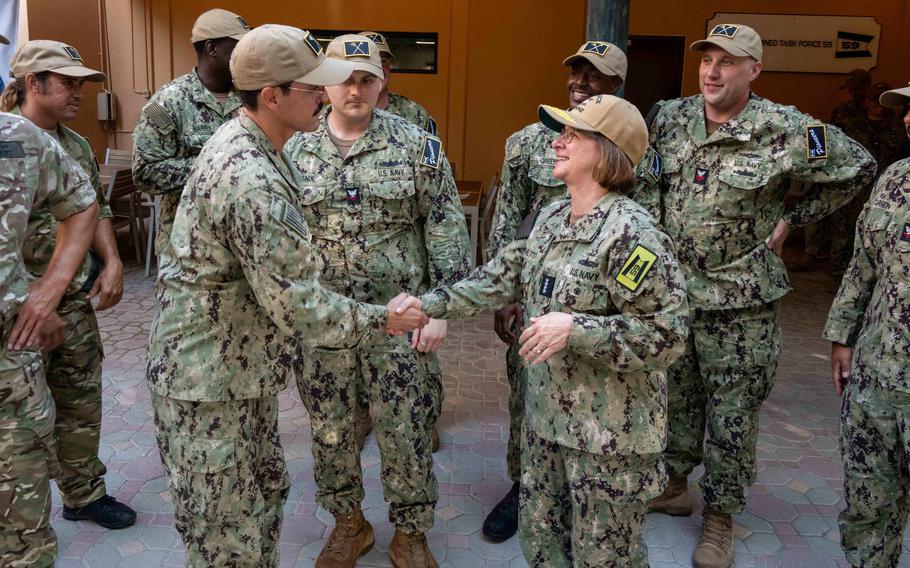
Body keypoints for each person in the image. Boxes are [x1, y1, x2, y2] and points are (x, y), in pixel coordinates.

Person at [146, 25, 428, 567]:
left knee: (258, 508)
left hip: (234, 374)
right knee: (230, 539)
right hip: (209, 387)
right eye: (311, 87)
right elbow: (299, 306)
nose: (325, 94)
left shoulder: (261, 148)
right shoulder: (250, 176)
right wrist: (387, 321)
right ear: (271, 96)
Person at [398, 95, 688, 567]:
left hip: (607, 442)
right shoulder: (552, 219)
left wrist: (577, 328)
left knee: (605, 559)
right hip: (547, 428)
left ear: (608, 149)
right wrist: (427, 304)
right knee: (543, 549)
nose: (558, 142)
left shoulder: (632, 233)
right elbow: (498, 277)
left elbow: (666, 335)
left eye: (573, 134)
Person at [634, 24, 876, 568]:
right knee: (675, 396)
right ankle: (673, 486)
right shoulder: (668, 117)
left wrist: (793, 218)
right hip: (677, 295)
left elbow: (856, 166)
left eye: (727, 62)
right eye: (707, 59)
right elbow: (649, 188)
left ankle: (720, 516)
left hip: (741, 302)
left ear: (754, 70)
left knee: (733, 415)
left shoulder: (784, 127)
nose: (712, 71)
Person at [285, 35, 470, 568]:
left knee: (407, 431)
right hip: (325, 328)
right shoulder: (294, 150)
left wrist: (440, 308)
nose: (355, 88)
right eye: (344, 77)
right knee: (332, 430)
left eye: (367, 78)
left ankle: (411, 533)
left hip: (400, 323)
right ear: (324, 83)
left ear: (382, 80)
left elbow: (446, 231)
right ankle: (350, 523)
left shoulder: (418, 146)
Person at [481, 38, 627, 542]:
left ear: (615, 86)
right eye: (576, 72)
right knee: (527, 393)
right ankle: (525, 486)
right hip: (536, 296)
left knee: (595, 398)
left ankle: (587, 490)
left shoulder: (624, 148)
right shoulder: (529, 142)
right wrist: (506, 296)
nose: (580, 82)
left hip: (598, 304)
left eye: (594, 75)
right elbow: (506, 225)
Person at [2, 39, 135, 530]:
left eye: (82, 83)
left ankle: (83, 494)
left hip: (70, 303)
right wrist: (39, 297)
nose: (79, 92)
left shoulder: (74, 143)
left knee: (80, 402)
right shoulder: (6, 143)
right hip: (19, 313)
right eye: (67, 82)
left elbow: (90, 206)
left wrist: (114, 259)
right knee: (23, 423)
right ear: (32, 84)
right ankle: (22, 522)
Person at [0, 107, 101, 565]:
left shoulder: (17, 138)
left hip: (10, 371)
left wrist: (49, 289)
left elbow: (83, 203)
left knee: (22, 538)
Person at [824, 82, 910, 568]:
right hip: (875, 376)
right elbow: (863, 265)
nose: (908, 119)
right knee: (869, 504)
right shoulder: (896, 178)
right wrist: (843, 335)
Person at [132, 7, 249, 263]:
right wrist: (215, 167)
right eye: (238, 47)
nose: (246, 54)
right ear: (212, 48)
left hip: (240, 245)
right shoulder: (169, 102)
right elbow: (146, 173)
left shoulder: (252, 98)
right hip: (187, 247)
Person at [826, 81, 909, 278]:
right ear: (867, 102)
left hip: (881, 186)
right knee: (846, 229)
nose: (908, 119)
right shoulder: (848, 121)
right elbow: (826, 143)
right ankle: (838, 271)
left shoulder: (894, 127)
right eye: (907, 111)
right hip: (852, 186)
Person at [359, 31, 438, 134]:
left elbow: (431, 149)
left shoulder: (415, 114)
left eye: (383, 61)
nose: (379, 68)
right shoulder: (341, 114)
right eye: (370, 61)